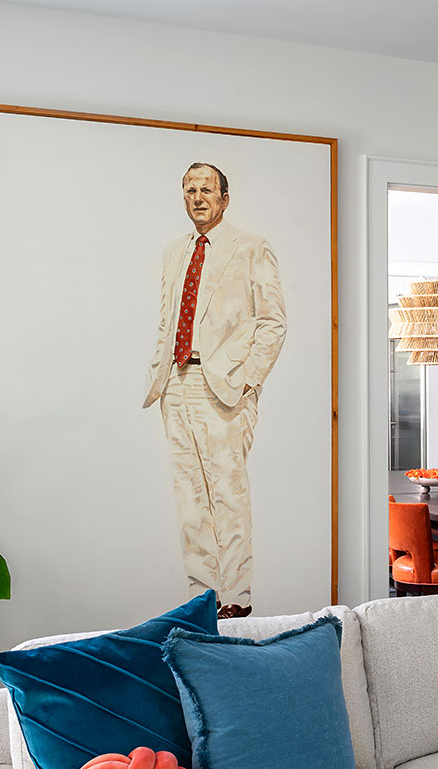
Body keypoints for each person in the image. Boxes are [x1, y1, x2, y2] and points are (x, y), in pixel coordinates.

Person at [143, 163, 287, 619]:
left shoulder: (252, 248)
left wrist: (248, 380)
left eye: (207, 189)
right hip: (176, 383)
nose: (198, 197)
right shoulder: (174, 252)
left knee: (227, 494)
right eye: (190, 190)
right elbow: (168, 320)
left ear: (224, 198)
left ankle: (236, 597)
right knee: (190, 499)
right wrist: (161, 371)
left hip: (223, 387)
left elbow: (273, 322)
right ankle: (202, 600)